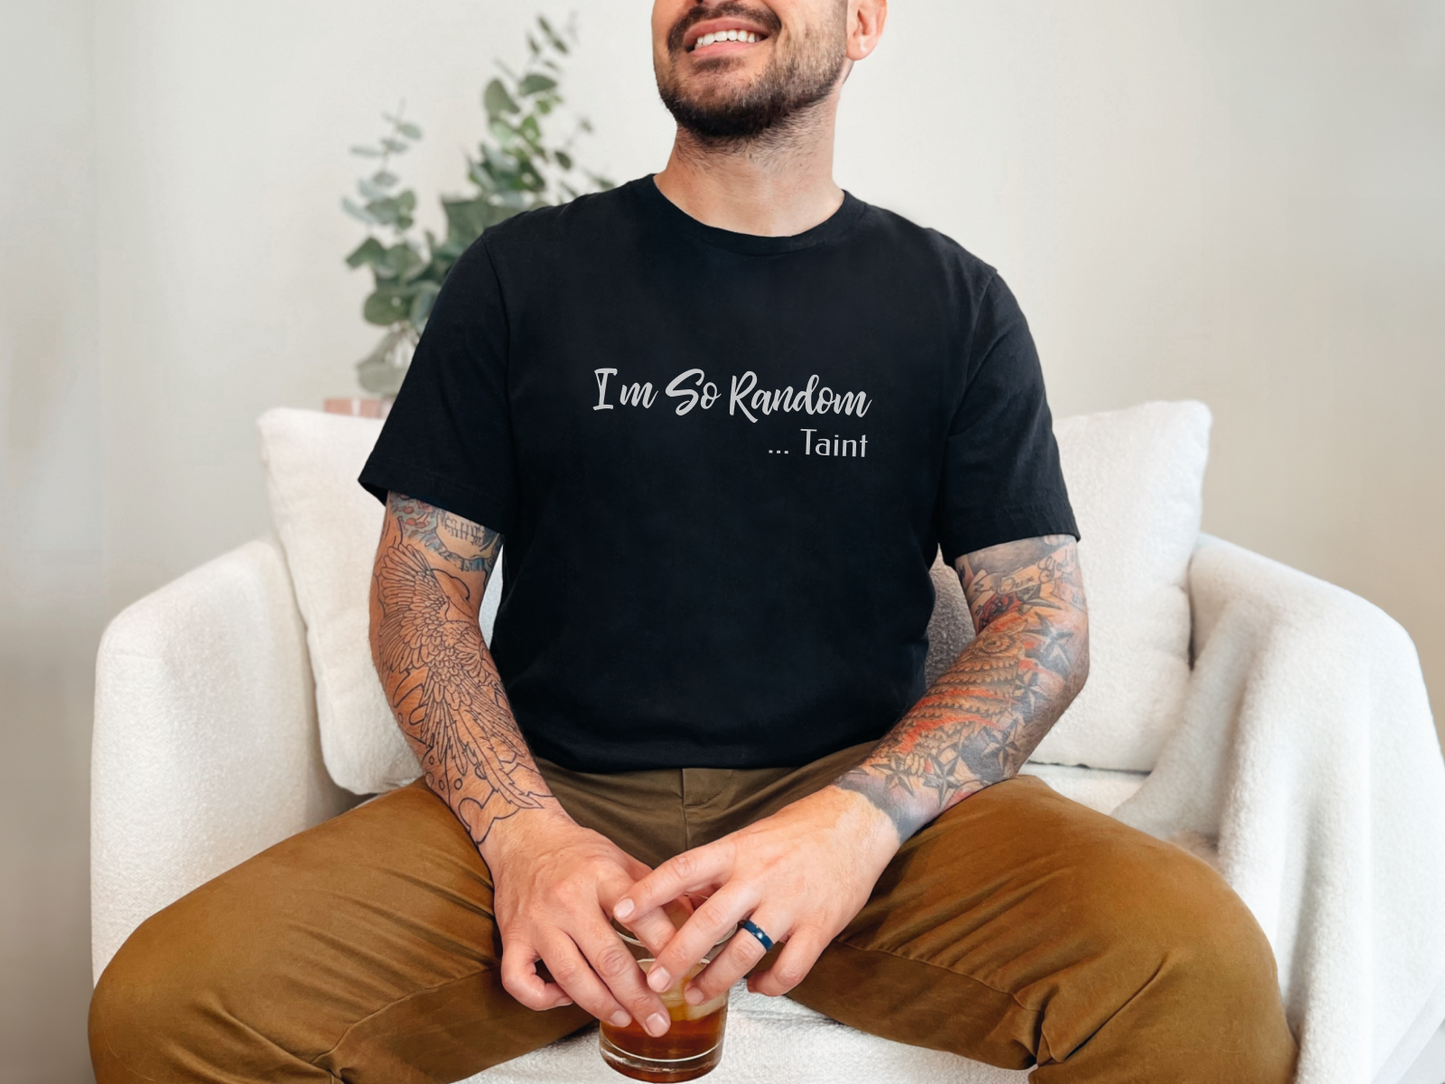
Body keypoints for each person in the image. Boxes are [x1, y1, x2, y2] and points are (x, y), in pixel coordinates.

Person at [88, 2, 1299, 1081]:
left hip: (859, 819)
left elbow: (1041, 618)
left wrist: (853, 824)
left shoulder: (952, 302)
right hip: (552, 796)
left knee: (1199, 974)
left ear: (863, 21)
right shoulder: (521, 277)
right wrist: (521, 839)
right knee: (166, 1007)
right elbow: (418, 586)